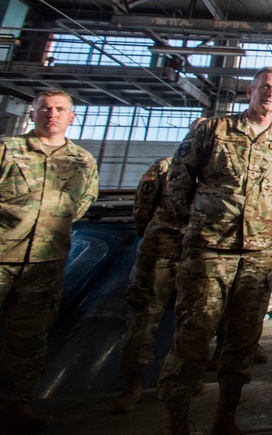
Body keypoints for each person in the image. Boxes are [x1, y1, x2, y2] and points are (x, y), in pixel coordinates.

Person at [157, 67, 272, 435]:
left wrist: (260, 233)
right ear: (249, 91)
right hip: (209, 250)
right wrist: (202, 223)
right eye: (264, 86)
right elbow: (179, 180)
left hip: (257, 256)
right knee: (193, 335)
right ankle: (177, 422)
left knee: (243, 341)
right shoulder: (212, 130)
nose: (270, 93)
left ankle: (225, 417)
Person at [0, 90, 99, 432]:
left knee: (28, 338)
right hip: (1, 256)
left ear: (72, 117)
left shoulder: (82, 160)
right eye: (45, 109)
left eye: (60, 110)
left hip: (46, 261)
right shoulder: (6, 150)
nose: (52, 114)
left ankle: (15, 406)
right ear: (33, 113)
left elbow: (82, 203)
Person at [113, 118, 206, 414]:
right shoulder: (164, 167)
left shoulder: (212, 171)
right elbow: (142, 210)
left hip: (197, 254)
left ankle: (181, 378)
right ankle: (133, 383)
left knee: (192, 321)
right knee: (144, 319)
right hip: (160, 253)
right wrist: (153, 238)